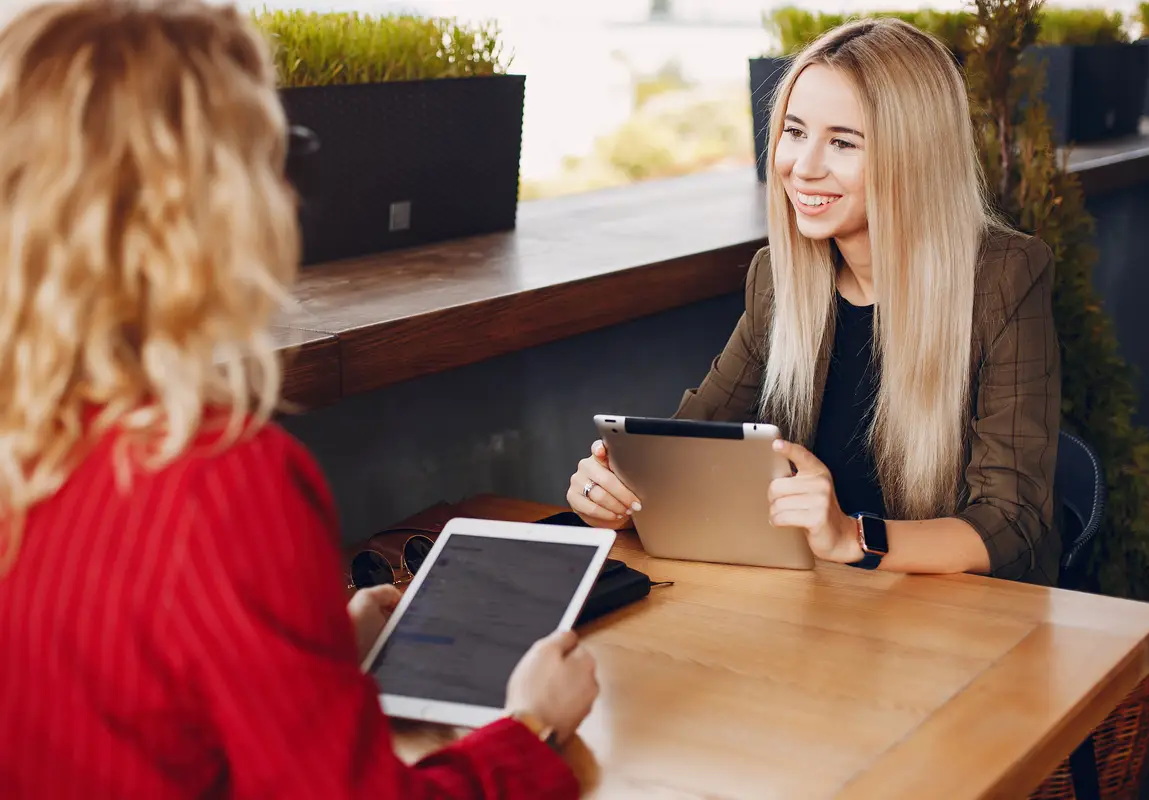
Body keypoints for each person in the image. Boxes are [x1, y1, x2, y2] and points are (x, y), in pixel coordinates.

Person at [0, 2, 596, 798]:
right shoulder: (219, 482)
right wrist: (530, 727)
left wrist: (306, 659)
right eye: (279, 149)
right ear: (209, 204)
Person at [568, 18, 1063, 586]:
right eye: (795, 131)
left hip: (951, 620)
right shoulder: (779, 280)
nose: (803, 167)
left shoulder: (1004, 276)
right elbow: (684, 447)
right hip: (818, 606)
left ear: (915, 157)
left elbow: (1013, 522)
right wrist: (615, 492)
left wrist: (852, 535)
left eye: (843, 142)